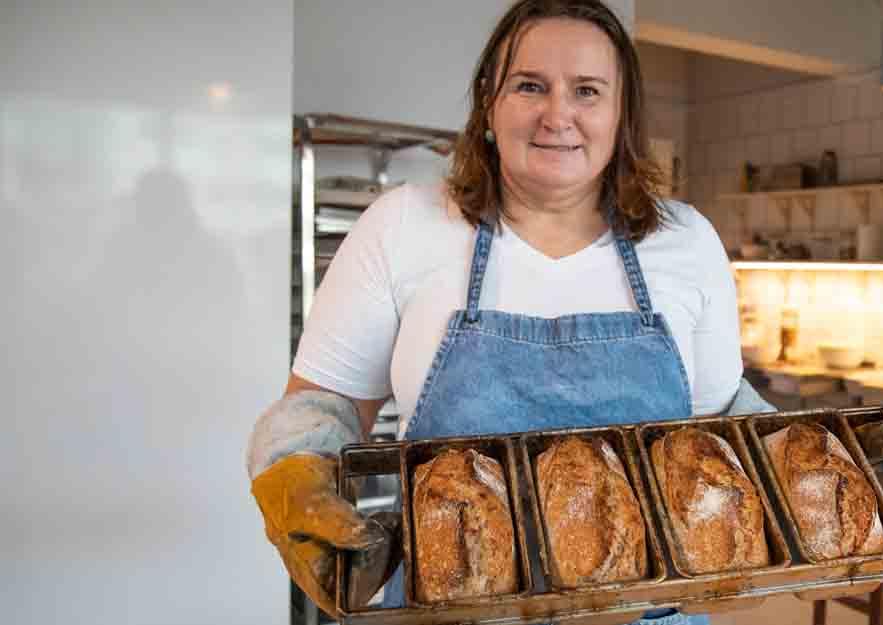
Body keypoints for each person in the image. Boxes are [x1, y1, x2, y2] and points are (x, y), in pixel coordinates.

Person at [246, 0, 774, 622]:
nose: (559, 114)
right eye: (530, 86)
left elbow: (719, 422)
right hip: (445, 610)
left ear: (620, 115)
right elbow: (322, 407)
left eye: (587, 91)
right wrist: (298, 478)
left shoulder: (685, 241)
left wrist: (845, 459)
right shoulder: (404, 227)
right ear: (489, 105)